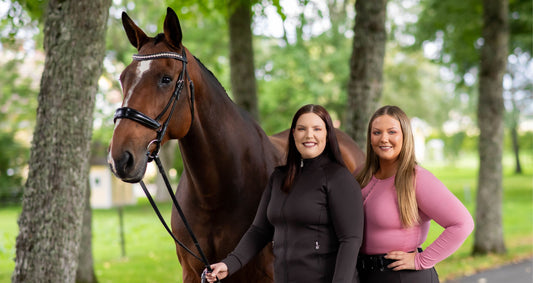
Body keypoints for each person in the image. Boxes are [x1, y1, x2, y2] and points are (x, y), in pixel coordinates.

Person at [205, 104, 364, 282]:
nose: (309, 135)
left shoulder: (339, 178)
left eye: (317, 129)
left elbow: (350, 240)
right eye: (301, 129)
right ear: (294, 134)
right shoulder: (279, 178)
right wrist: (229, 264)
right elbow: (259, 230)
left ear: (327, 134)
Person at [356, 105, 474, 283]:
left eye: (392, 132)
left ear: (405, 136)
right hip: (365, 275)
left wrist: (420, 260)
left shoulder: (417, 178)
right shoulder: (360, 175)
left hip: (403, 277)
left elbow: (462, 223)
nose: (384, 138)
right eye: (377, 132)